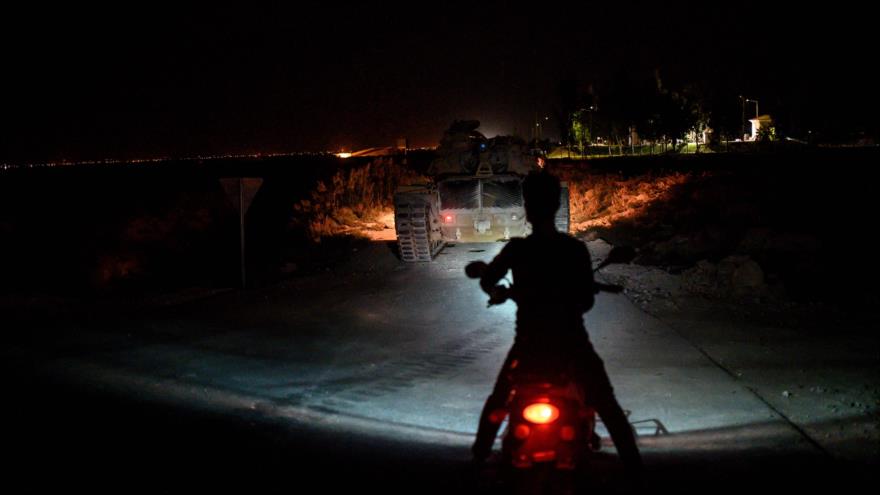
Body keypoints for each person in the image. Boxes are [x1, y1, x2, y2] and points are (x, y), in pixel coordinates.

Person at [470, 170, 643, 477]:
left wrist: (499, 291)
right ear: (555, 206)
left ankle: (479, 456)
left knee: (499, 399)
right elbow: (585, 302)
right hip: (572, 343)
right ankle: (634, 467)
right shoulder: (574, 249)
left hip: (528, 345)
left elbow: (487, 279)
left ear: (528, 207)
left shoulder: (518, 249)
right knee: (605, 402)